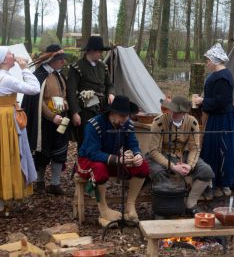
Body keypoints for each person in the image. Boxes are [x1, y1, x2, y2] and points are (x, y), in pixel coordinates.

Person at [0, 46, 40, 217]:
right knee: (7, 155)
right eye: (10, 54)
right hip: (6, 120)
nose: (14, 55)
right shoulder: (5, 79)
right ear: (4, 59)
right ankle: (2, 201)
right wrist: (25, 68)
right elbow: (34, 89)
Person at [76, 95, 149, 227]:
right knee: (99, 168)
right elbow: (92, 153)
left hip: (114, 160)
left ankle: (129, 206)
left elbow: (133, 144)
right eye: (122, 116)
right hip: (88, 160)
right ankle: (103, 209)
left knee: (142, 166)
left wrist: (137, 155)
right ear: (112, 113)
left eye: (127, 116)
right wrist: (118, 159)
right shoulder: (94, 125)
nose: (125, 119)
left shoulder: (127, 123)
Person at [147, 96, 214, 216]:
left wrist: (190, 165)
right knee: (159, 173)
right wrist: (172, 166)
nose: (173, 113)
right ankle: (162, 208)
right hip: (161, 155)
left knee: (206, 171)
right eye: (171, 110)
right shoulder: (159, 122)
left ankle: (190, 204)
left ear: (184, 113)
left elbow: (195, 148)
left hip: (182, 155)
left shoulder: (192, 122)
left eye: (177, 112)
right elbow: (153, 151)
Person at [22, 44, 69, 195]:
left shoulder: (59, 74)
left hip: (60, 119)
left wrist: (65, 104)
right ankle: (40, 182)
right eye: (60, 59)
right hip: (43, 122)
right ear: (51, 60)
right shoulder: (38, 76)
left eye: (63, 59)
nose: (63, 62)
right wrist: (51, 116)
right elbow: (38, 101)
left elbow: (63, 94)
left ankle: (55, 183)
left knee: (59, 152)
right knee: (42, 152)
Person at [192, 43, 234, 199]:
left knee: (221, 150)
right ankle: (212, 184)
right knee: (211, 149)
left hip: (222, 119)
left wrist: (202, 101)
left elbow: (221, 101)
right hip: (214, 117)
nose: (207, 63)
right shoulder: (215, 76)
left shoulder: (223, 77)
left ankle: (222, 183)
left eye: (208, 60)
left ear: (216, 60)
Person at [66, 36, 114, 147]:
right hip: (86, 109)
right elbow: (71, 92)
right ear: (91, 51)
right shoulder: (77, 67)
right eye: (99, 51)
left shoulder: (103, 66)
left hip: (103, 108)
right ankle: (83, 163)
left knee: (101, 139)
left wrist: (111, 93)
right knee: (86, 139)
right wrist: (75, 113)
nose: (101, 54)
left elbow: (109, 85)